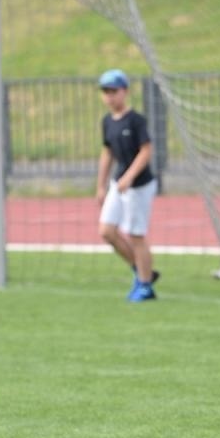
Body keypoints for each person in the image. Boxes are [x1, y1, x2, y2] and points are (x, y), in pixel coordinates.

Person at [95, 68, 159, 302]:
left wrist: (130, 176)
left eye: (114, 91)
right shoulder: (107, 122)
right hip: (118, 184)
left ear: (125, 92)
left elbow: (146, 150)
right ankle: (143, 270)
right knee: (107, 231)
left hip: (139, 186)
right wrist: (101, 185)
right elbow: (107, 152)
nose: (110, 96)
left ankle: (145, 286)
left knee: (136, 234)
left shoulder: (136, 120)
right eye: (106, 92)